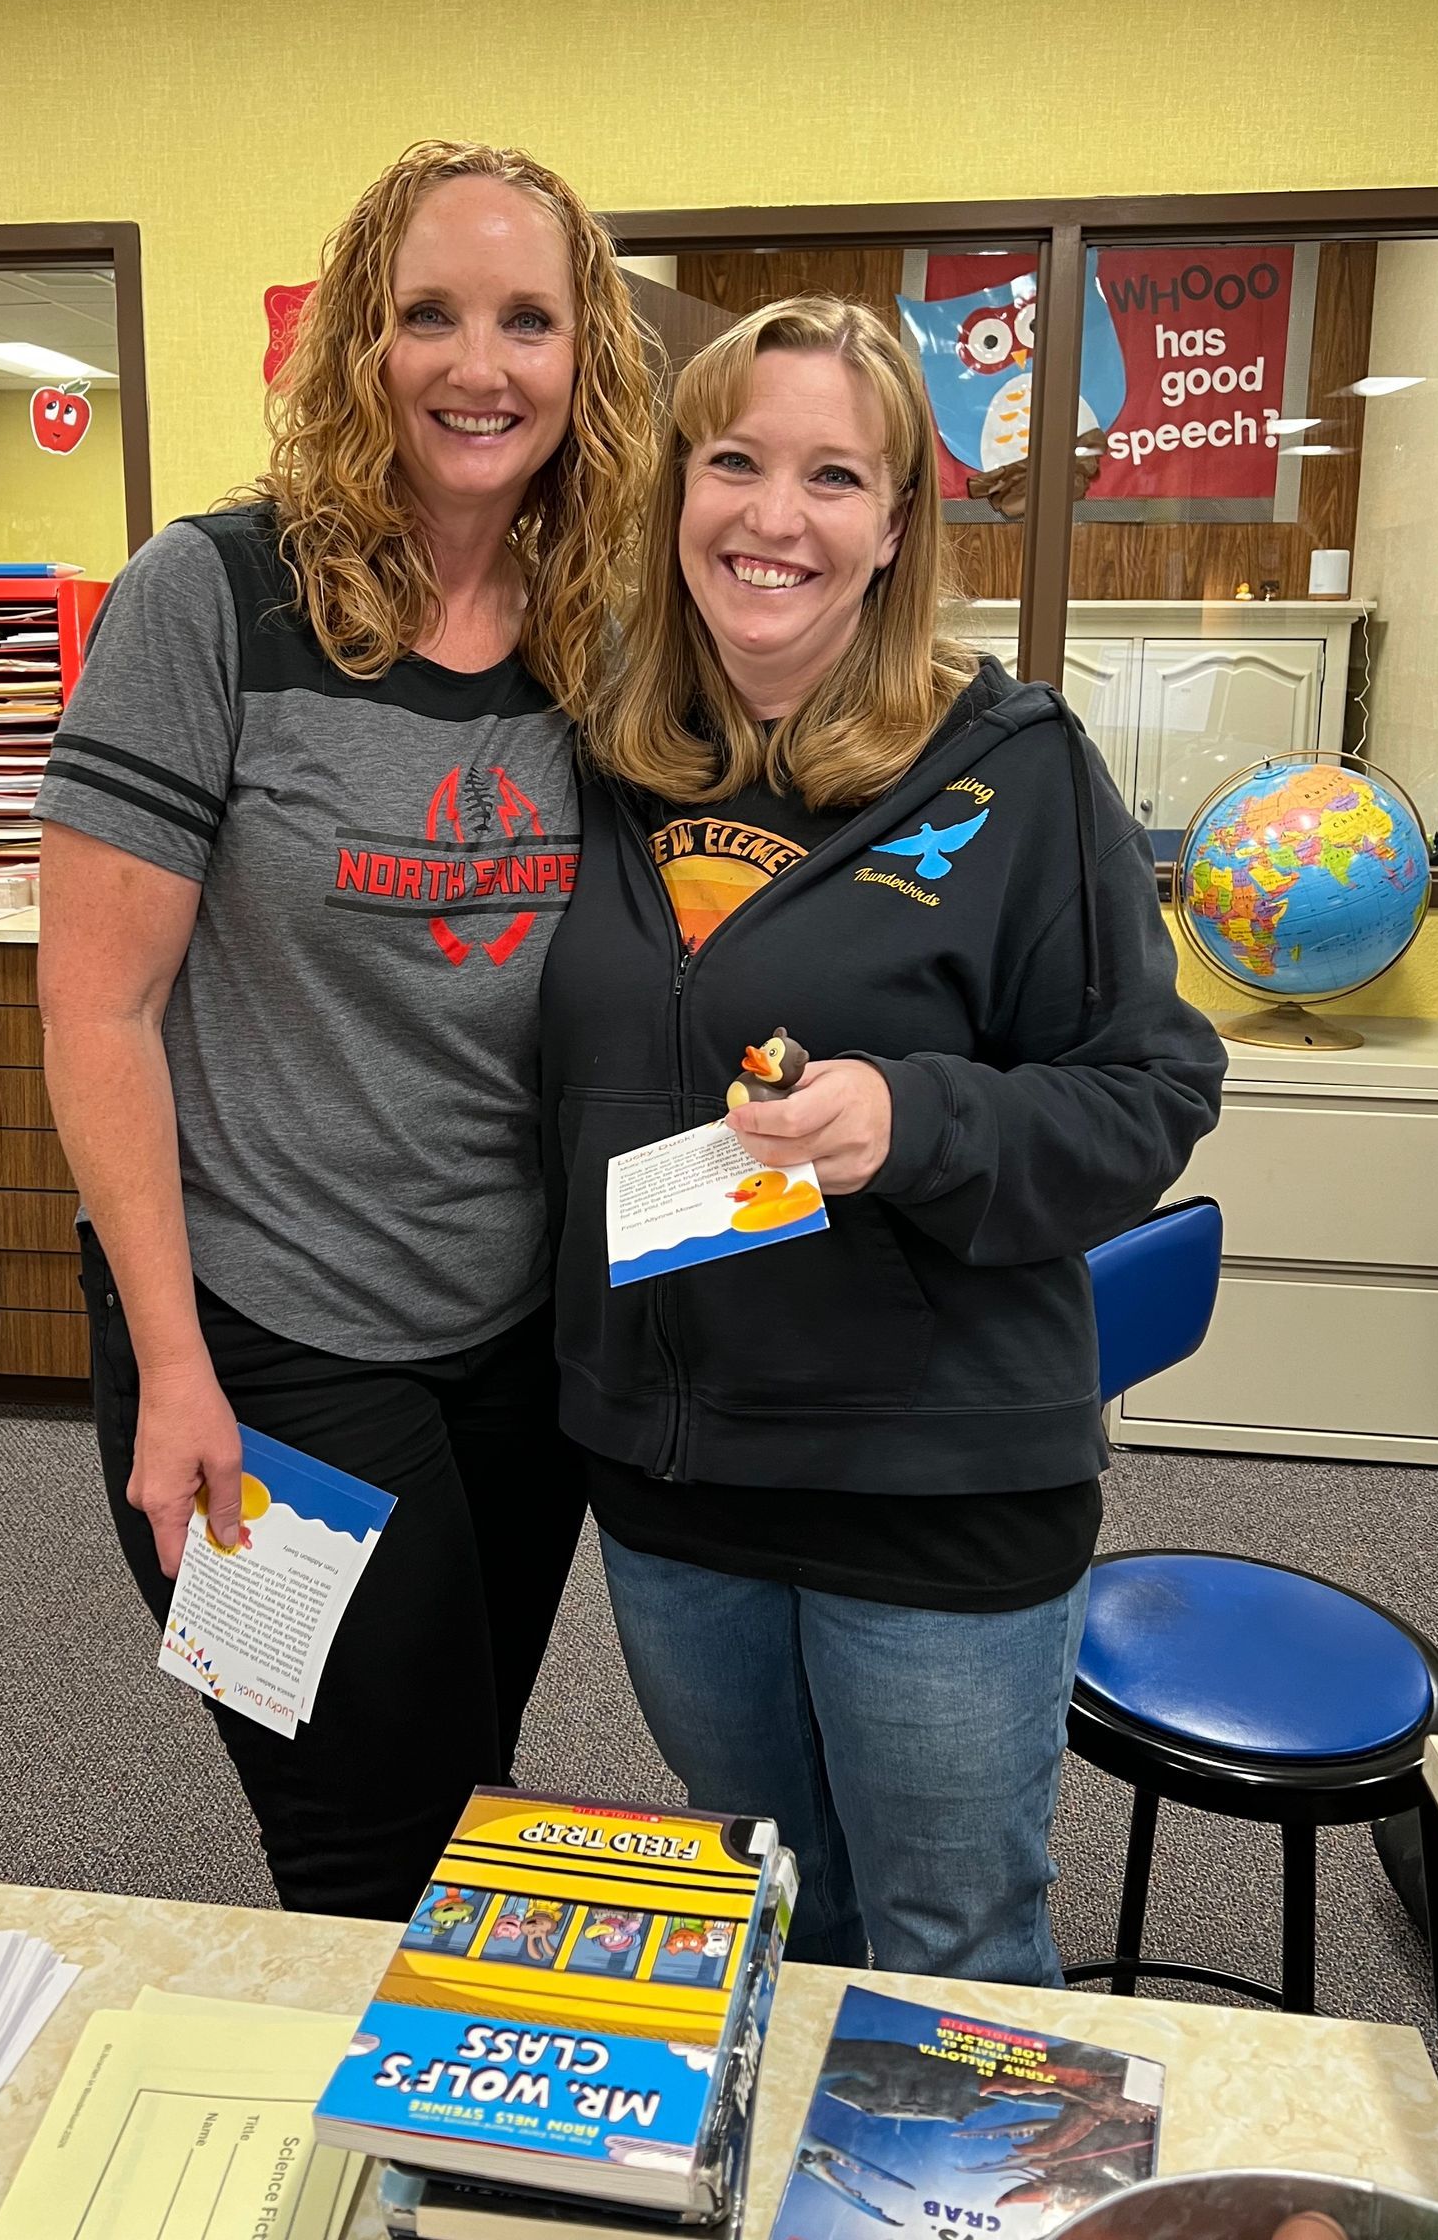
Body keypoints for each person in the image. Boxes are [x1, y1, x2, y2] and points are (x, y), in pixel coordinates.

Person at [541, 296, 1225, 1983]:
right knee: (778, 1914)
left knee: (951, 1944)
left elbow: (1153, 1087)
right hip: (676, 1482)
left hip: (933, 1480)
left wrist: (917, 1116)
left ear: (898, 522)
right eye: (737, 462)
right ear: (675, 494)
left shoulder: (1017, 766)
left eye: (835, 475)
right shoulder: (593, 762)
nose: (777, 517)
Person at [35, 140, 659, 1919]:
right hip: (264, 1335)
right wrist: (168, 1370)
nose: (483, 364)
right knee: (356, 1845)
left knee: (460, 1790)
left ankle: (423, 2167)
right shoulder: (212, 596)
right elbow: (95, 1009)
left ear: (583, 356)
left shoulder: (605, 634)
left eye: (528, 319)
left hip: (513, 1343)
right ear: (358, 347)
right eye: (432, 316)